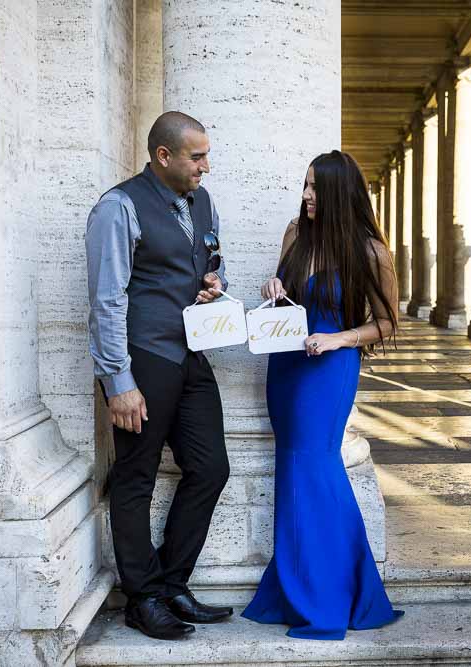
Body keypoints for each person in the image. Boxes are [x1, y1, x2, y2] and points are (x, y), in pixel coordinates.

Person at [241, 150, 404, 639]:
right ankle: (297, 585)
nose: (307, 194)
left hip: (329, 369)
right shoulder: (295, 233)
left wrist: (337, 338)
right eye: (305, 184)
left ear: (337, 193)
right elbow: (287, 296)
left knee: (316, 468)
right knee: (293, 470)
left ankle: (332, 594)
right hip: (287, 364)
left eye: (315, 187)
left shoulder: (371, 252)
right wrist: (274, 287)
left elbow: (387, 324)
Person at [85, 111, 233, 640]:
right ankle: (141, 598)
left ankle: (171, 582)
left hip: (191, 354)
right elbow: (106, 300)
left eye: (206, 155)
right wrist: (117, 381)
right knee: (135, 476)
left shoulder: (203, 200)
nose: (206, 167)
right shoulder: (117, 207)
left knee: (211, 467)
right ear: (163, 156)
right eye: (197, 157)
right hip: (142, 358)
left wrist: (213, 282)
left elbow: (207, 254)